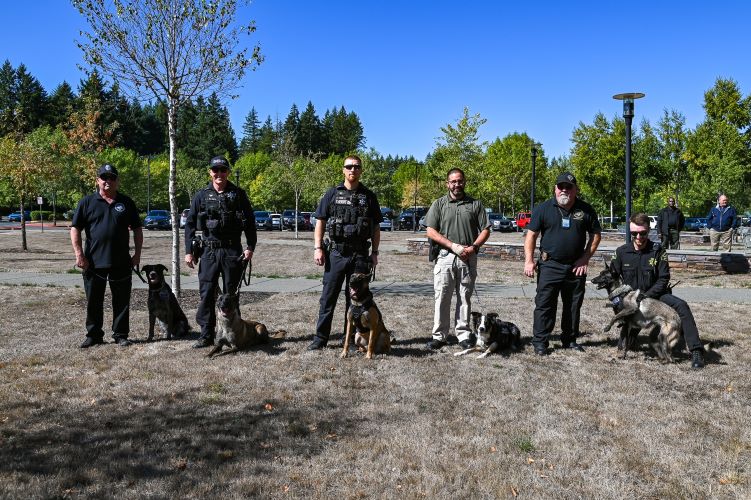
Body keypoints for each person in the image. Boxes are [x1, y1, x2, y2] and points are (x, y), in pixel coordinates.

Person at [609, 213, 705, 369]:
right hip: (632, 301)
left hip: (657, 296)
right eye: (634, 233)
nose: (638, 237)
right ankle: (630, 338)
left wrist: (646, 296)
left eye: (643, 233)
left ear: (649, 230)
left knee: (682, 306)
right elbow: (612, 277)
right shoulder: (621, 252)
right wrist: (617, 301)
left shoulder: (658, 250)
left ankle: (696, 350)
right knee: (630, 342)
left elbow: (663, 278)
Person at [308, 155, 383, 350]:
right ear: (343, 170)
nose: (353, 170)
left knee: (355, 301)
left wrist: (375, 252)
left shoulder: (369, 196)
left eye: (356, 167)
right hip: (336, 254)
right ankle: (320, 339)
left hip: (359, 255)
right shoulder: (332, 194)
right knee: (328, 298)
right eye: (349, 166)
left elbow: (375, 228)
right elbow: (320, 222)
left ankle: (349, 340)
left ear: (361, 170)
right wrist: (318, 248)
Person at [524, 172, 601, 355]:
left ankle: (570, 340)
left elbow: (596, 235)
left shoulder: (586, 210)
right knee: (544, 304)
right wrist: (529, 260)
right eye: (561, 187)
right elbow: (531, 235)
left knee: (573, 305)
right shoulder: (543, 209)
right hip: (549, 264)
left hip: (576, 266)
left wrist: (585, 258)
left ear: (576, 190)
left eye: (569, 187)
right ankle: (540, 342)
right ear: (555, 189)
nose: (564, 190)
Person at [184, 156, 256, 348]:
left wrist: (250, 247)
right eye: (215, 170)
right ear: (210, 172)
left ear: (228, 172)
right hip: (209, 250)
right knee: (207, 293)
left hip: (232, 250)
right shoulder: (201, 195)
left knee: (231, 294)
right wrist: (188, 251)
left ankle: (234, 334)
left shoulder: (238, 194)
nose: (219, 174)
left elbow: (250, 223)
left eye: (223, 170)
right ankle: (206, 334)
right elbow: (190, 224)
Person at [71, 164, 143, 348]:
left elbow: (137, 229)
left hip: (121, 261)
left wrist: (137, 255)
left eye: (111, 177)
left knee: (122, 300)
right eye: (104, 177)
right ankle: (94, 335)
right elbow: (75, 228)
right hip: (93, 262)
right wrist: (79, 254)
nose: (107, 181)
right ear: (97, 180)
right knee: (93, 301)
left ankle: (120, 334)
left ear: (117, 181)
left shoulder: (126, 202)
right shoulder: (86, 202)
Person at [424, 168, 490, 350]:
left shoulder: (475, 204)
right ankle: (439, 335)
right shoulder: (439, 204)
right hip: (445, 256)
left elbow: (486, 229)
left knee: (464, 297)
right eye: (453, 181)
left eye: (459, 181)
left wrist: (474, 247)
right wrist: (452, 246)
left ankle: (463, 334)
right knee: (442, 297)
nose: (456, 184)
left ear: (464, 182)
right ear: (447, 184)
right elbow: (430, 231)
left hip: (468, 257)